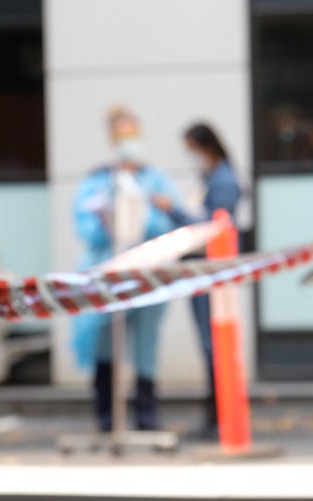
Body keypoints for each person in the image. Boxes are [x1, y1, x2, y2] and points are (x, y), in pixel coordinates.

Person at [73, 106, 183, 431]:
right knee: (104, 341)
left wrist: (143, 215)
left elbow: (170, 223)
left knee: (146, 344)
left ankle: (146, 416)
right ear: (112, 139)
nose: (128, 141)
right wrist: (109, 221)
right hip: (108, 274)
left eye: (132, 134)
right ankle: (106, 415)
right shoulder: (97, 180)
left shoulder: (155, 178)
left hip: (149, 276)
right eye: (122, 135)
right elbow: (84, 227)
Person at [152, 123, 240, 437]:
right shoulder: (212, 177)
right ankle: (216, 414)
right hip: (201, 271)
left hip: (210, 272)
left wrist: (172, 210)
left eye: (191, 149)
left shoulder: (224, 181)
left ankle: (220, 415)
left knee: (213, 344)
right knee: (210, 345)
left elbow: (210, 226)